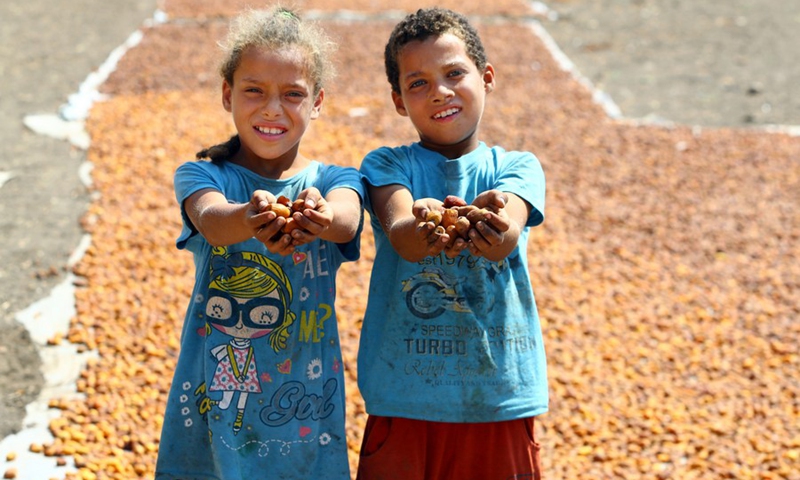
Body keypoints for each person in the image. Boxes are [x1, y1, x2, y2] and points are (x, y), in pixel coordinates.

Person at [155, 7, 363, 480]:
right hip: (218, 406)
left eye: (293, 94)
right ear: (227, 95)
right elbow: (212, 220)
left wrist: (321, 217)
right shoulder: (203, 174)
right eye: (254, 91)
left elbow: (347, 222)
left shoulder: (334, 178)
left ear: (318, 102)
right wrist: (252, 216)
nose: (273, 109)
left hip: (303, 407)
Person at [356, 7, 547, 480]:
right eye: (417, 83)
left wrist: (488, 221)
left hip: (499, 399)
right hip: (403, 399)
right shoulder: (385, 166)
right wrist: (427, 225)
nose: (439, 91)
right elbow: (403, 233)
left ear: (486, 77)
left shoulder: (518, 167)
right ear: (399, 101)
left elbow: (504, 236)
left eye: (454, 73)